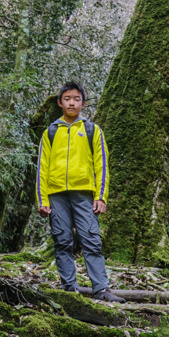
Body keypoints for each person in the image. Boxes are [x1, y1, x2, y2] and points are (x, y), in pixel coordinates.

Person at [36, 82, 125, 304]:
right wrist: (42, 200)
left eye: (76, 99)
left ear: (83, 103)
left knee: (91, 240)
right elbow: (42, 168)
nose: (72, 103)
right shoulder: (50, 133)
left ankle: (102, 289)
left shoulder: (92, 130)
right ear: (60, 103)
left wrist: (101, 196)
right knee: (62, 241)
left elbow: (101, 164)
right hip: (56, 196)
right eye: (67, 99)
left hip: (85, 194)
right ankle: (69, 290)